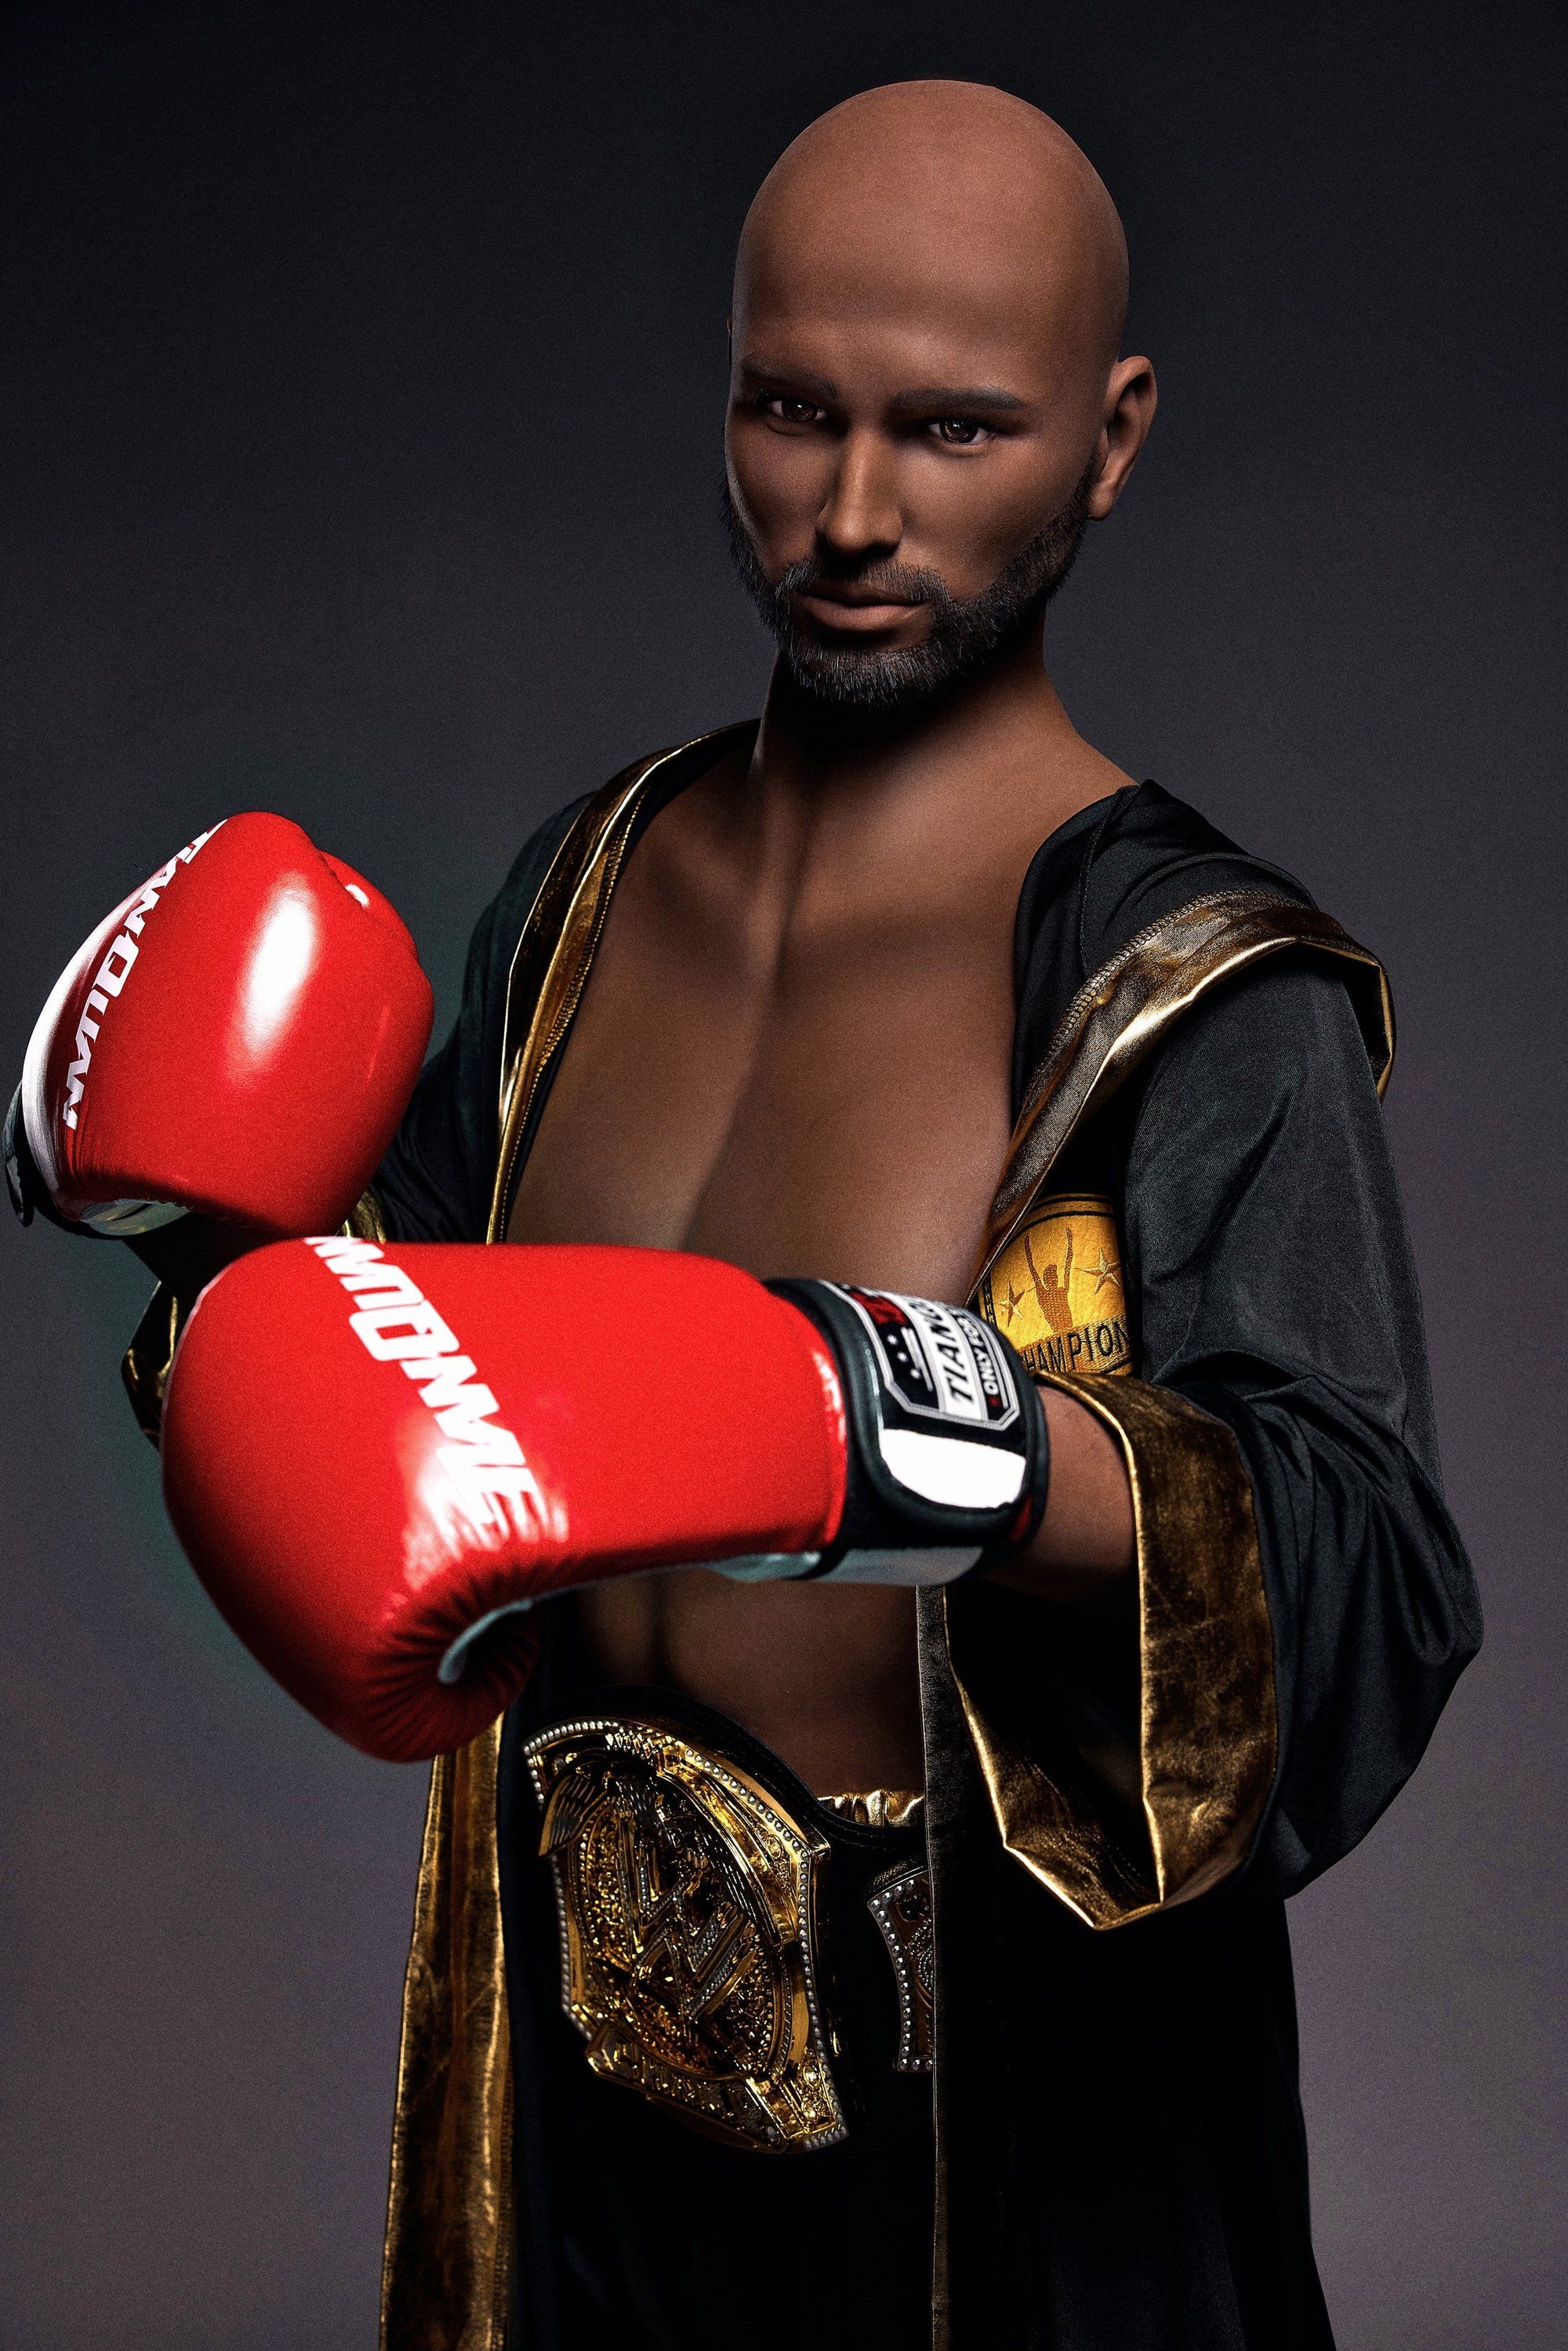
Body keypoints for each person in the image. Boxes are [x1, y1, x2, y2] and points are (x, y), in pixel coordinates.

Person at [9, 80, 1479, 2351]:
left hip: (999, 2146)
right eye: (794, 409)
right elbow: (368, 1366)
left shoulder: (1194, 987)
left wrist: (899, 1431)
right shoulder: (589, 897)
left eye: (954, 428)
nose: (854, 511)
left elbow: (1366, 1580)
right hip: (580, 2108)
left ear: (1110, 439)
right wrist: (185, 1214)